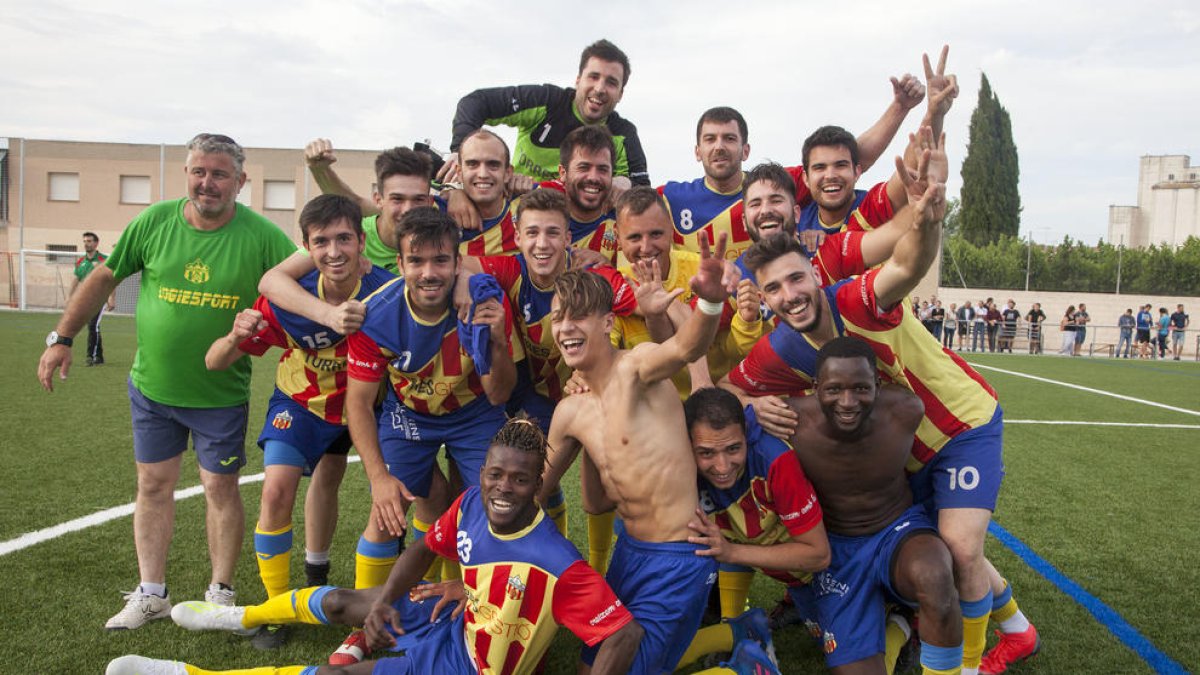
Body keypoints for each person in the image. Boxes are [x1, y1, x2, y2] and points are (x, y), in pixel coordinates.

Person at [722, 134, 1040, 675]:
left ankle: (968, 666)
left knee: (960, 548)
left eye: (796, 279)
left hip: (961, 425)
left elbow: (905, 266)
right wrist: (751, 404)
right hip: (906, 450)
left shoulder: (855, 301)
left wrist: (929, 222)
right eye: (775, 289)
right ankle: (1018, 630)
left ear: (816, 275)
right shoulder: (783, 345)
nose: (789, 295)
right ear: (767, 298)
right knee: (943, 547)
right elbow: (727, 387)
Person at [105, 417, 645, 675]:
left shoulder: (557, 563)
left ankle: (185, 674)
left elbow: (623, 633)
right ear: (481, 472)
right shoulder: (471, 504)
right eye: (495, 475)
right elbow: (422, 550)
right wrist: (387, 600)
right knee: (348, 602)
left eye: (520, 480)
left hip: (464, 666)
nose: (504, 489)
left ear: (539, 483)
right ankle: (238, 617)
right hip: (456, 616)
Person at [37, 133, 298, 629]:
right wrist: (63, 336)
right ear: (186, 174)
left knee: (219, 487)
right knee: (153, 485)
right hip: (152, 390)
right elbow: (105, 277)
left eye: (219, 174)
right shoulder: (154, 222)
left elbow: (302, 276)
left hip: (219, 394)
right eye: (199, 171)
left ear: (240, 181)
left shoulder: (262, 236)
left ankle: (220, 592)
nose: (207, 182)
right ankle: (151, 593)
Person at [537, 239, 740, 672]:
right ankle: (739, 634)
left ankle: (745, 665)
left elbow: (685, 348)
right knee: (592, 668)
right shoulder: (570, 411)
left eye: (578, 316)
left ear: (608, 322)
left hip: (679, 554)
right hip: (628, 551)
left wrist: (708, 303)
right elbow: (543, 492)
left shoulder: (636, 367)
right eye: (558, 318)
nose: (566, 328)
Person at [203, 195, 394, 646]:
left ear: (361, 241)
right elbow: (214, 361)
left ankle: (333, 585)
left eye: (344, 239)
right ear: (307, 248)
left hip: (366, 407)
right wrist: (234, 335)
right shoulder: (288, 297)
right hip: (301, 403)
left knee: (376, 496)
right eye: (321, 242)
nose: (334, 251)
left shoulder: (387, 292)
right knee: (275, 490)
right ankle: (277, 607)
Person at [342, 206, 518, 604]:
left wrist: (496, 342)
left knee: (494, 508)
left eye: (440, 260)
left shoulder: (484, 300)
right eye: (416, 261)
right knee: (387, 510)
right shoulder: (375, 315)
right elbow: (359, 403)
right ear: (400, 263)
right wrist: (378, 479)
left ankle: (470, 604)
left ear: (458, 263)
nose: (428, 272)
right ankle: (365, 617)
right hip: (409, 416)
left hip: (475, 413)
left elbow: (499, 394)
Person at [787, 337, 964, 675]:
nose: (848, 402)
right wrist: (751, 402)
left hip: (897, 531)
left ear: (878, 386)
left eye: (861, 388)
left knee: (934, 576)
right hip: (836, 551)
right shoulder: (790, 419)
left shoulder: (905, 410)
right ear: (815, 387)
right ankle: (899, 624)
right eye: (834, 389)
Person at [676, 387, 830, 668]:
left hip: (833, 570)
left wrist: (731, 552)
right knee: (715, 532)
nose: (722, 466)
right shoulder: (678, 466)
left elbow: (819, 555)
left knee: (838, 651)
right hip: (791, 575)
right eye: (706, 452)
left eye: (733, 448)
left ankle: (900, 620)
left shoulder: (775, 460)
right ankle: (738, 626)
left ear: (746, 434)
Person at [447, 39, 649, 190]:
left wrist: (627, 183)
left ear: (620, 94)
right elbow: (476, 102)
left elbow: (643, 190)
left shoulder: (625, 133)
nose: (600, 89)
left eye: (611, 82)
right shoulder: (545, 100)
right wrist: (460, 151)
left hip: (575, 224)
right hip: (517, 210)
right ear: (578, 80)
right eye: (593, 77)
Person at [303, 141, 438, 273]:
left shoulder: (442, 236)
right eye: (397, 199)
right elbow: (287, 275)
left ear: (430, 202)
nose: (407, 209)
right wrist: (319, 170)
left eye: (418, 199)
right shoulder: (351, 233)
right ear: (378, 200)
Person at [70, 231, 117, 366]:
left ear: (96, 243)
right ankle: (99, 356)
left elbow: (111, 279)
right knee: (94, 327)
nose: (86, 244)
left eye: (89, 241)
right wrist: (69, 297)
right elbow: (75, 279)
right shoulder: (80, 261)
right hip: (86, 299)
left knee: (92, 326)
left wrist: (111, 298)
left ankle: (90, 356)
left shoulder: (104, 260)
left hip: (100, 298)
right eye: (85, 241)